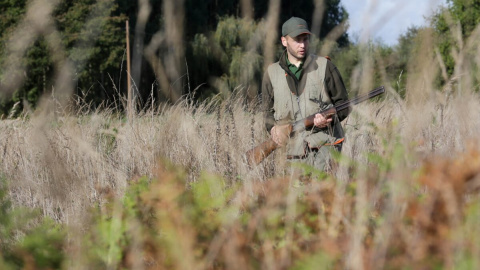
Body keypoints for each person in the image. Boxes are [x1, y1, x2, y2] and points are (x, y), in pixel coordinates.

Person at [261, 16, 350, 172]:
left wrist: (328, 120)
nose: (302, 45)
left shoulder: (325, 66)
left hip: (326, 148)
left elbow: (344, 105)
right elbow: (266, 114)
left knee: (324, 195)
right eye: (297, 40)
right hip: (292, 154)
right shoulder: (271, 73)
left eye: (305, 39)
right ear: (284, 41)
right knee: (296, 196)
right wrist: (273, 130)